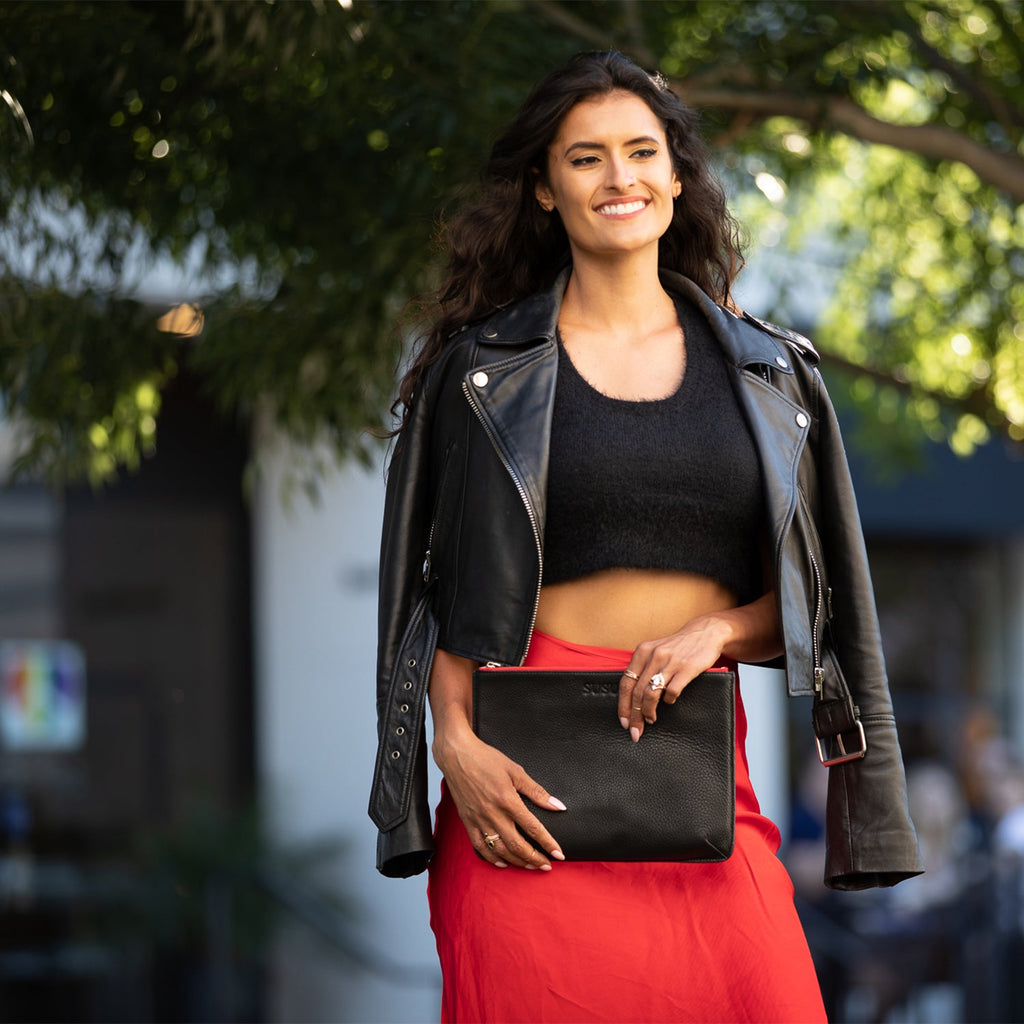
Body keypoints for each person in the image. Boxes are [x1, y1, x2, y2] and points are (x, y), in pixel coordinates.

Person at [369, 51, 923, 1023]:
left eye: (640, 152)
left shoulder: (770, 375)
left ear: (676, 175)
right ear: (544, 188)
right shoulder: (478, 372)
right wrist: (450, 745)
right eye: (585, 158)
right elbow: (432, 590)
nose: (618, 178)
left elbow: (817, 600)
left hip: (703, 775)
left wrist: (716, 633)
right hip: (522, 795)